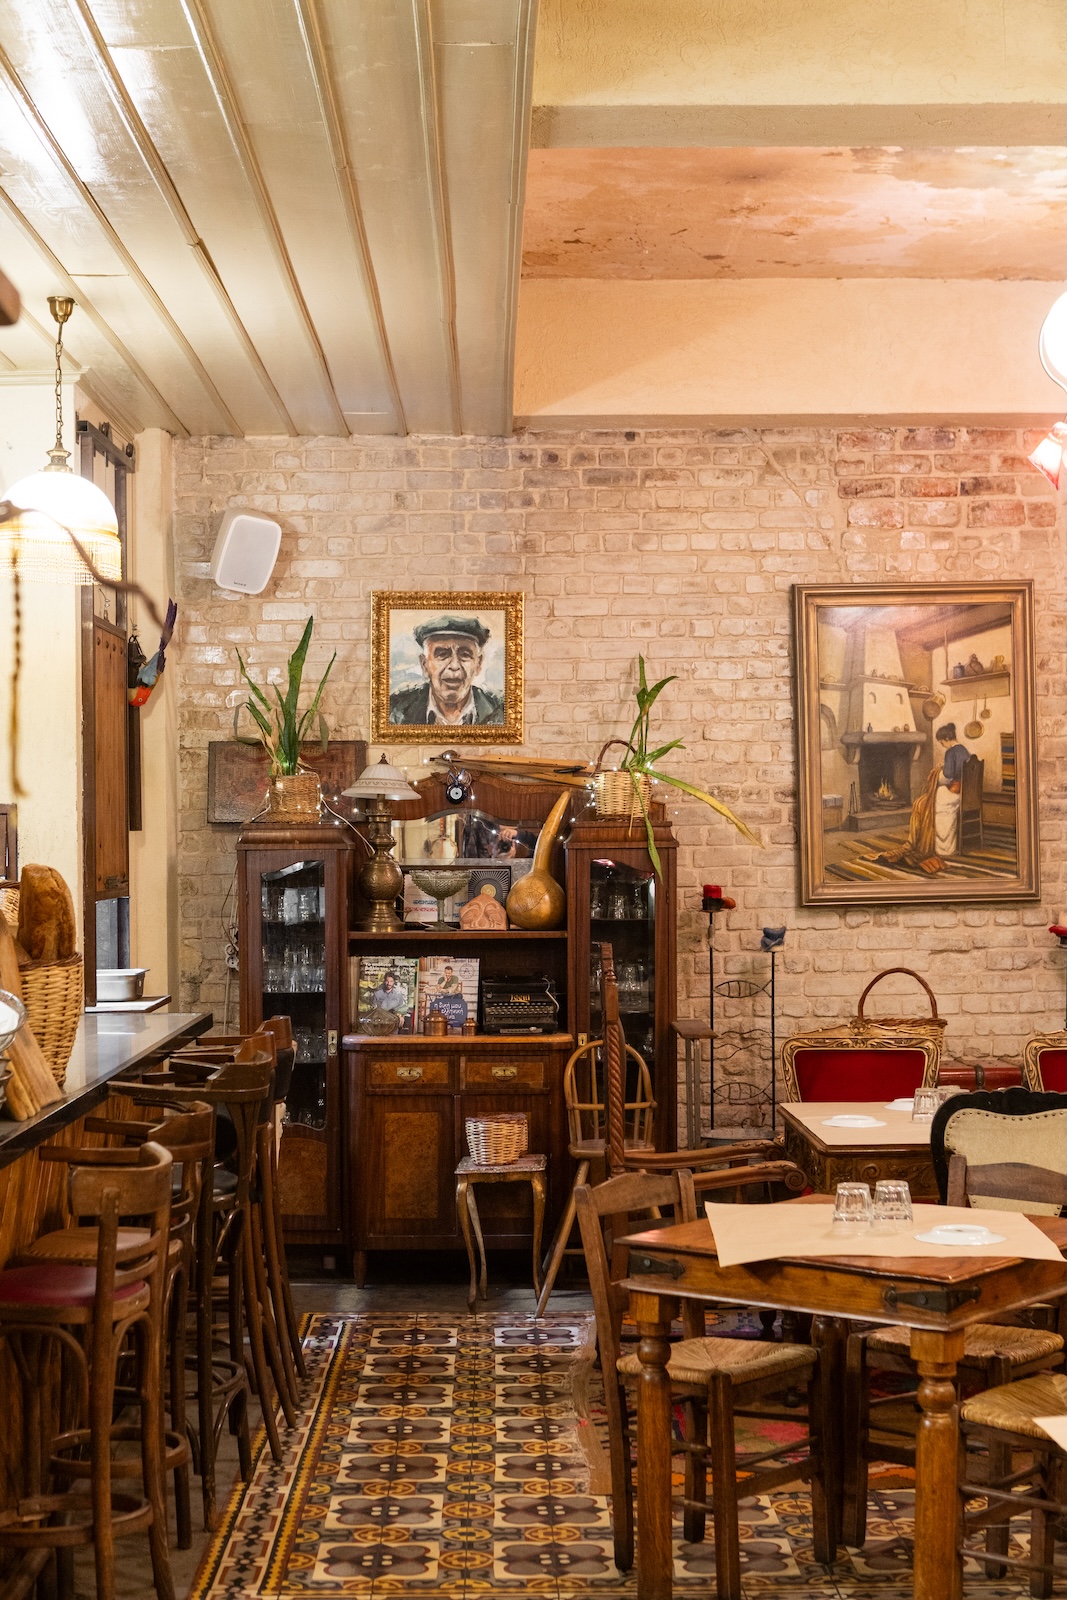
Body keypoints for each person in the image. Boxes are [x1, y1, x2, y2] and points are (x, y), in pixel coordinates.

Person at [874, 724, 969, 875]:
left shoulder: (951, 752)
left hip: (953, 792)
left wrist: (937, 772)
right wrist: (944, 767)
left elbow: (947, 777)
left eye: (941, 742)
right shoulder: (963, 750)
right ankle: (943, 844)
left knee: (923, 803)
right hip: (964, 793)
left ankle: (941, 847)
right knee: (927, 800)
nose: (942, 745)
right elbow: (957, 769)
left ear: (946, 738)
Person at [388, 615, 504, 725]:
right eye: (442, 654)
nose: (454, 666)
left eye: (465, 654)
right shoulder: (393, 712)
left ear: (478, 664)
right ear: (424, 665)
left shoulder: (502, 712)